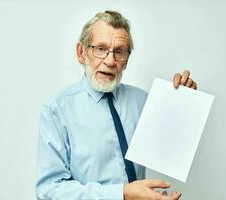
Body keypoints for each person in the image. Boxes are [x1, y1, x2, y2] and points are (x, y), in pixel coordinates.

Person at [36, 10, 197, 200]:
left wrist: (183, 99)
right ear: (82, 53)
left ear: (127, 60)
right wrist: (121, 194)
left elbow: (172, 145)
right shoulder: (57, 109)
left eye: (119, 51)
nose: (111, 61)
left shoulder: (143, 101)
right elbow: (48, 190)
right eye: (101, 49)